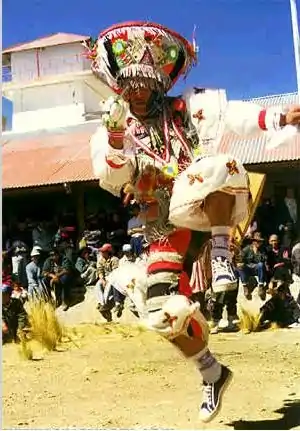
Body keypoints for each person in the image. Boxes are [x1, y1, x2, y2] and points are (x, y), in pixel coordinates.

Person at [87, 21, 300, 422]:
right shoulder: (112, 129)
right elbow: (112, 178)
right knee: (162, 313)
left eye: (144, 81)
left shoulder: (186, 107)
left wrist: (279, 118)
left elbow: (234, 116)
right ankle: (212, 372)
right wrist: (116, 139)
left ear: (157, 82)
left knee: (217, 166)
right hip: (164, 227)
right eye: (129, 82)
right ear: (118, 83)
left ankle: (221, 254)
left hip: (202, 205)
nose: (136, 90)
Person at [237, 232, 267, 300]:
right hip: (247, 269)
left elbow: (263, 260)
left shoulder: (262, 250)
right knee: (240, 266)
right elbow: (240, 258)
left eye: (260, 241)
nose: (258, 243)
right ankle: (245, 287)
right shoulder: (247, 249)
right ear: (253, 241)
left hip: (257, 269)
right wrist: (241, 263)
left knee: (260, 265)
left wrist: (256, 252)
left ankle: (261, 286)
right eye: (256, 241)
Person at [95, 243, 119, 321]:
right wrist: (102, 280)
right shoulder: (100, 260)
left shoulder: (115, 259)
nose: (102, 253)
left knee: (108, 287)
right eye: (102, 251)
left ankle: (104, 305)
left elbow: (115, 273)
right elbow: (100, 271)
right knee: (98, 285)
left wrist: (108, 280)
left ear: (108, 252)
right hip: (105, 278)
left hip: (114, 279)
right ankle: (102, 304)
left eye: (104, 251)